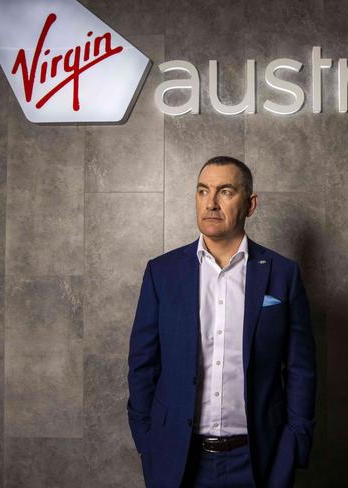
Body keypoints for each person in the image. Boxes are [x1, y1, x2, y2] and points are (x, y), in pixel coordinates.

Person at [127, 156, 317, 487]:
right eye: (203, 191)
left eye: (225, 191)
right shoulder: (162, 272)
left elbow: (301, 368)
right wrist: (149, 442)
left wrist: (294, 444)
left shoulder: (283, 274)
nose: (211, 203)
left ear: (250, 204)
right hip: (177, 460)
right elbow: (143, 364)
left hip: (259, 460)